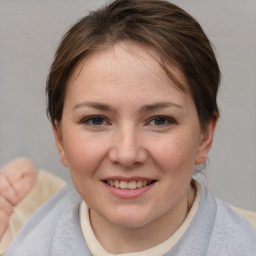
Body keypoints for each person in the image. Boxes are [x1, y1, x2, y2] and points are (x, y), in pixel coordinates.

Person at [4, 0, 256, 255]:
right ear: (60, 139)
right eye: (96, 120)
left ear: (204, 136)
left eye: (160, 120)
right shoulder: (15, 239)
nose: (126, 155)